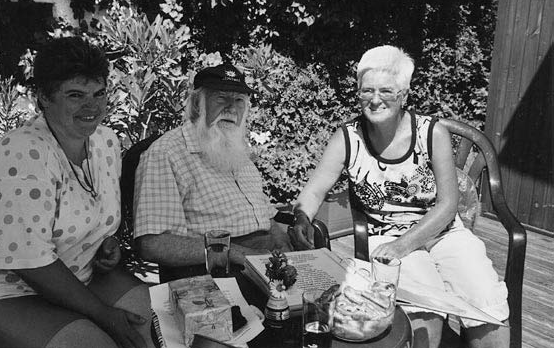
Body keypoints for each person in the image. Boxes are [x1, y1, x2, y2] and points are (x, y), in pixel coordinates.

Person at [291, 45, 509, 348]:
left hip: (442, 232)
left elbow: (448, 205)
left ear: (404, 95)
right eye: (367, 91)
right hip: (385, 237)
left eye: (386, 91)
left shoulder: (432, 133)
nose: (375, 99)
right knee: (424, 306)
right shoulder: (348, 137)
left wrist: (403, 245)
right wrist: (301, 218)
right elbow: (314, 190)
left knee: (485, 297)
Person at [0, 37, 153, 348]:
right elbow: (28, 261)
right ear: (44, 97)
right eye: (75, 95)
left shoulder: (106, 143)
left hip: (80, 273)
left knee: (155, 322)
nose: (92, 107)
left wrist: (107, 244)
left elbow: (96, 218)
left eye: (99, 94)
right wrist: (103, 314)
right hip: (1, 286)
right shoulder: (24, 153)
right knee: (96, 345)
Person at [133, 63, 292, 280]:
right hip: (221, 272)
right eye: (221, 98)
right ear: (198, 104)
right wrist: (236, 254)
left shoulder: (234, 149)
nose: (232, 108)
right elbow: (152, 244)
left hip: (268, 265)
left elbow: (265, 217)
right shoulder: (166, 153)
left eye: (239, 101)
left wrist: (285, 245)